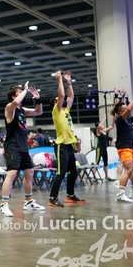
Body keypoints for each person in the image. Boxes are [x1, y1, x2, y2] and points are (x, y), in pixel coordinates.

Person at [0, 82, 44, 217]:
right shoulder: (9, 107)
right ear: (13, 96)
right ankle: (4, 204)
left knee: (29, 172)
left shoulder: (22, 110)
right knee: (12, 173)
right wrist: (25, 89)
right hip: (12, 146)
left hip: (23, 146)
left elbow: (39, 112)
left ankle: (28, 201)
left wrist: (38, 99)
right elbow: (16, 102)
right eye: (19, 92)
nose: (23, 93)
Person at [48, 71, 84, 207]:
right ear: (55, 103)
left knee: (73, 172)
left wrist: (69, 82)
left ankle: (70, 195)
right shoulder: (56, 111)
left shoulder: (66, 111)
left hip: (69, 146)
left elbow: (70, 96)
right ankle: (52, 198)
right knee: (60, 172)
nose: (61, 100)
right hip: (61, 145)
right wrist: (59, 80)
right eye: (58, 100)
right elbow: (63, 95)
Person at [112, 93, 133, 202]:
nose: (126, 108)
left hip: (132, 148)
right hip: (124, 147)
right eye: (124, 108)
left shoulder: (129, 120)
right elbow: (129, 108)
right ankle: (120, 194)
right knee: (129, 170)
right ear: (120, 112)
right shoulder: (119, 120)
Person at [94, 115, 115, 180]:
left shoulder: (104, 131)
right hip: (99, 148)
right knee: (97, 162)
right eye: (100, 124)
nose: (102, 125)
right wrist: (104, 118)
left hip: (104, 149)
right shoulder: (98, 131)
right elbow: (99, 126)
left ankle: (106, 176)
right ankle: (93, 177)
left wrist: (113, 119)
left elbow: (112, 126)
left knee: (105, 162)